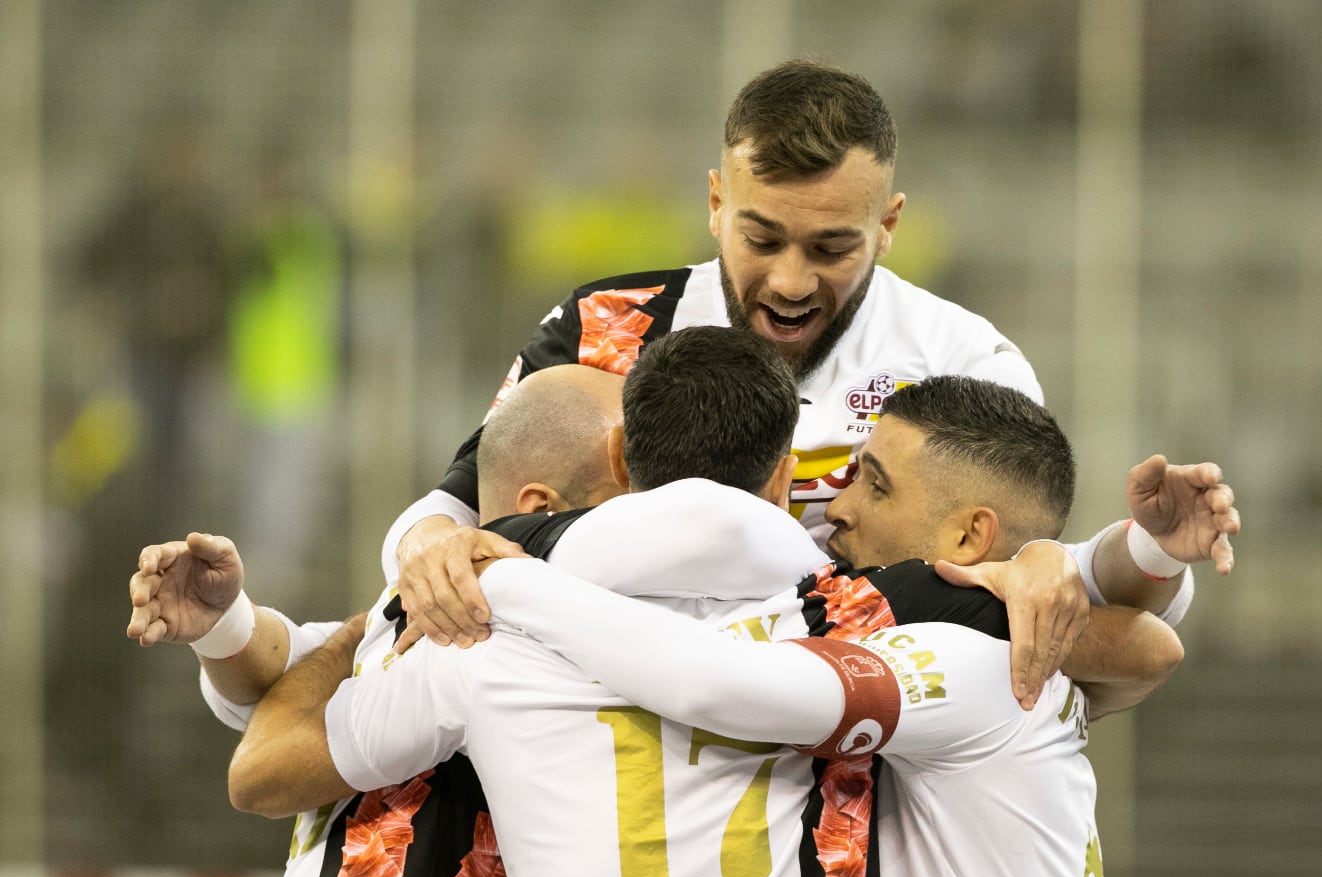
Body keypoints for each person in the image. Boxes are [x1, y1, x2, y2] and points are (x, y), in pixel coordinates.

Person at [224, 345, 1236, 877]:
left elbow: (264, 768)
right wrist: (1105, 559)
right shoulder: (886, 627)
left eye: (871, 484)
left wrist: (476, 577)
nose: (837, 507)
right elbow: (1141, 647)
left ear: (627, 460)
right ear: (780, 471)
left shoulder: (484, 627)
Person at [382, 59, 1173, 708]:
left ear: (889, 225)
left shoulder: (962, 358)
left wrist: (1065, 565)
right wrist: (426, 550)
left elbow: (1035, 592)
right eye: (762, 238)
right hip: (601, 726)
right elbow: (453, 506)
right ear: (717, 203)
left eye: (832, 247)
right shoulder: (604, 326)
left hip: (855, 769)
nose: (791, 282)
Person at [127, 364, 625, 877]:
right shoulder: (470, 638)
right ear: (541, 508)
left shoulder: (538, 644)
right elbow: (287, 683)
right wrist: (225, 626)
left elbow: (271, 750)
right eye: (628, 495)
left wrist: (391, 608)